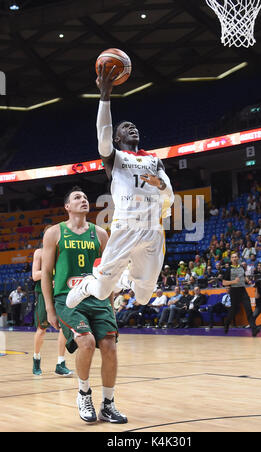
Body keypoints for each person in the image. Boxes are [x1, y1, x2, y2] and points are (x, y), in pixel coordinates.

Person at [66, 62, 174, 312]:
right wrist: (105, 96)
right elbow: (102, 136)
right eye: (125, 128)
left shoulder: (153, 160)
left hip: (152, 230)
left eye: (134, 127)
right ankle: (85, 286)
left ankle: (125, 279)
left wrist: (161, 184)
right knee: (103, 290)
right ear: (118, 139)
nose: (132, 128)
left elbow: (169, 193)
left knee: (145, 297)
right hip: (125, 226)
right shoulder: (114, 158)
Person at [41, 186, 127, 424]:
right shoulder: (54, 233)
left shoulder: (100, 234)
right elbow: (47, 272)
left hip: (97, 299)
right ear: (67, 206)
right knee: (86, 342)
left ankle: (108, 404)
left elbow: (107, 274)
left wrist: (110, 306)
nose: (83, 200)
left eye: (86, 198)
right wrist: (49, 308)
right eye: (77, 198)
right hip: (67, 298)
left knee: (109, 345)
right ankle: (84, 393)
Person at [32, 235, 73, 377]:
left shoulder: (62, 253)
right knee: (42, 328)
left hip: (60, 292)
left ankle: (60, 363)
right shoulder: (39, 253)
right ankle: (36, 358)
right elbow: (35, 275)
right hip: (43, 293)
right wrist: (50, 276)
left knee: (64, 327)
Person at [222, 253, 260, 337]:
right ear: (231, 259)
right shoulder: (228, 269)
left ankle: (254, 329)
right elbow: (224, 282)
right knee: (233, 311)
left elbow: (244, 276)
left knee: (249, 309)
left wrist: (248, 281)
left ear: (238, 258)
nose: (235, 258)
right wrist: (233, 282)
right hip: (234, 291)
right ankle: (227, 323)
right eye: (233, 257)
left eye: (236, 257)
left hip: (243, 290)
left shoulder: (241, 267)